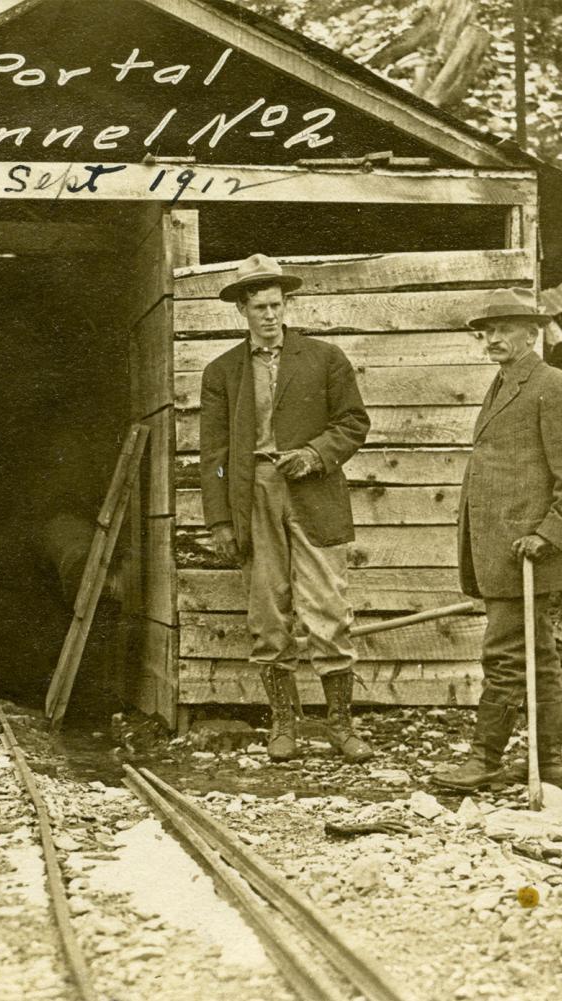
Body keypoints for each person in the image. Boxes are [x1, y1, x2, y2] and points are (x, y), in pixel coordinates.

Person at [198, 254, 372, 763]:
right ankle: (284, 726)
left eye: (276, 305)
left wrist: (315, 454)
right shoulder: (222, 372)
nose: (269, 315)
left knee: (328, 610)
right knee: (267, 615)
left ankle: (340, 726)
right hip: (254, 494)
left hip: (313, 492)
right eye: (258, 307)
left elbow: (353, 422)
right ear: (242, 311)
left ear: (287, 304)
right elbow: (214, 454)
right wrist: (220, 520)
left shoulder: (324, 358)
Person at [433, 288, 562, 791]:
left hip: (527, 555)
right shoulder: (504, 383)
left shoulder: (554, 385)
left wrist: (548, 535)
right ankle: (550, 764)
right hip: (504, 555)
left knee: (506, 658)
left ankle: (484, 760)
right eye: (487, 330)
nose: (492, 338)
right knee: (540, 659)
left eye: (505, 328)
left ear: (533, 334)